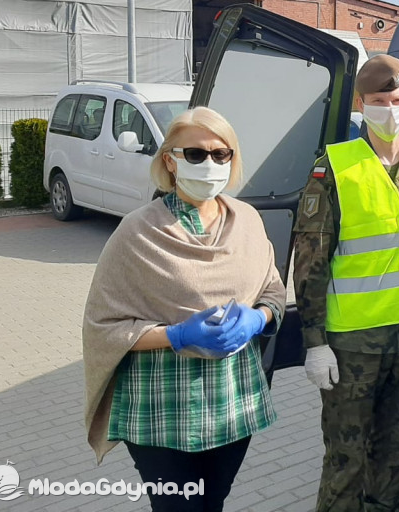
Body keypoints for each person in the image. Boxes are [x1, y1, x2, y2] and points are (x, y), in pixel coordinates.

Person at [83, 107, 285, 512]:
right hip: (161, 405)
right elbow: (102, 324)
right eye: (194, 154)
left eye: (220, 154)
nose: (209, 163)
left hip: (232, 399)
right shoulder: (138, 231)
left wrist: (257, 319)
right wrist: (176, 335)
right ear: (170, 161)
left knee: (212, 502)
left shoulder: (246, 220)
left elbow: (273, 292)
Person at [292, 54, 399, 512]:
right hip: (352, 343)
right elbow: (310, 260)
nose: (389, 109)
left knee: (398, 450)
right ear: (361, 105)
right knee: (346, 456)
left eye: (396, 99)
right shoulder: (335, 167)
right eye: (379, 101)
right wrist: (314, 340)